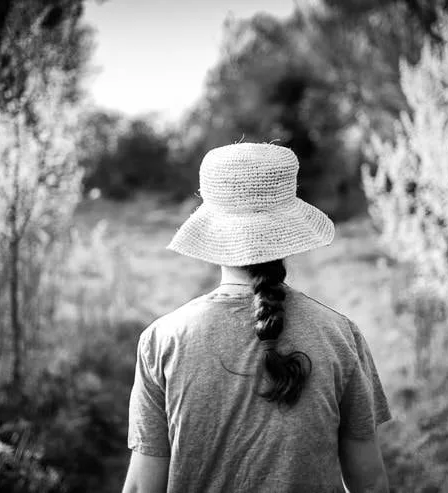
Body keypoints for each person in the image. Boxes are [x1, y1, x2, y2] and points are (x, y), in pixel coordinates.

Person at [122, 142, 391, 493]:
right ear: (290, 221)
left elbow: (144, 486)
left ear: (212, 225)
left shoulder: (162, 340)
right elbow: (369, 483)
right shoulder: (340, 335)